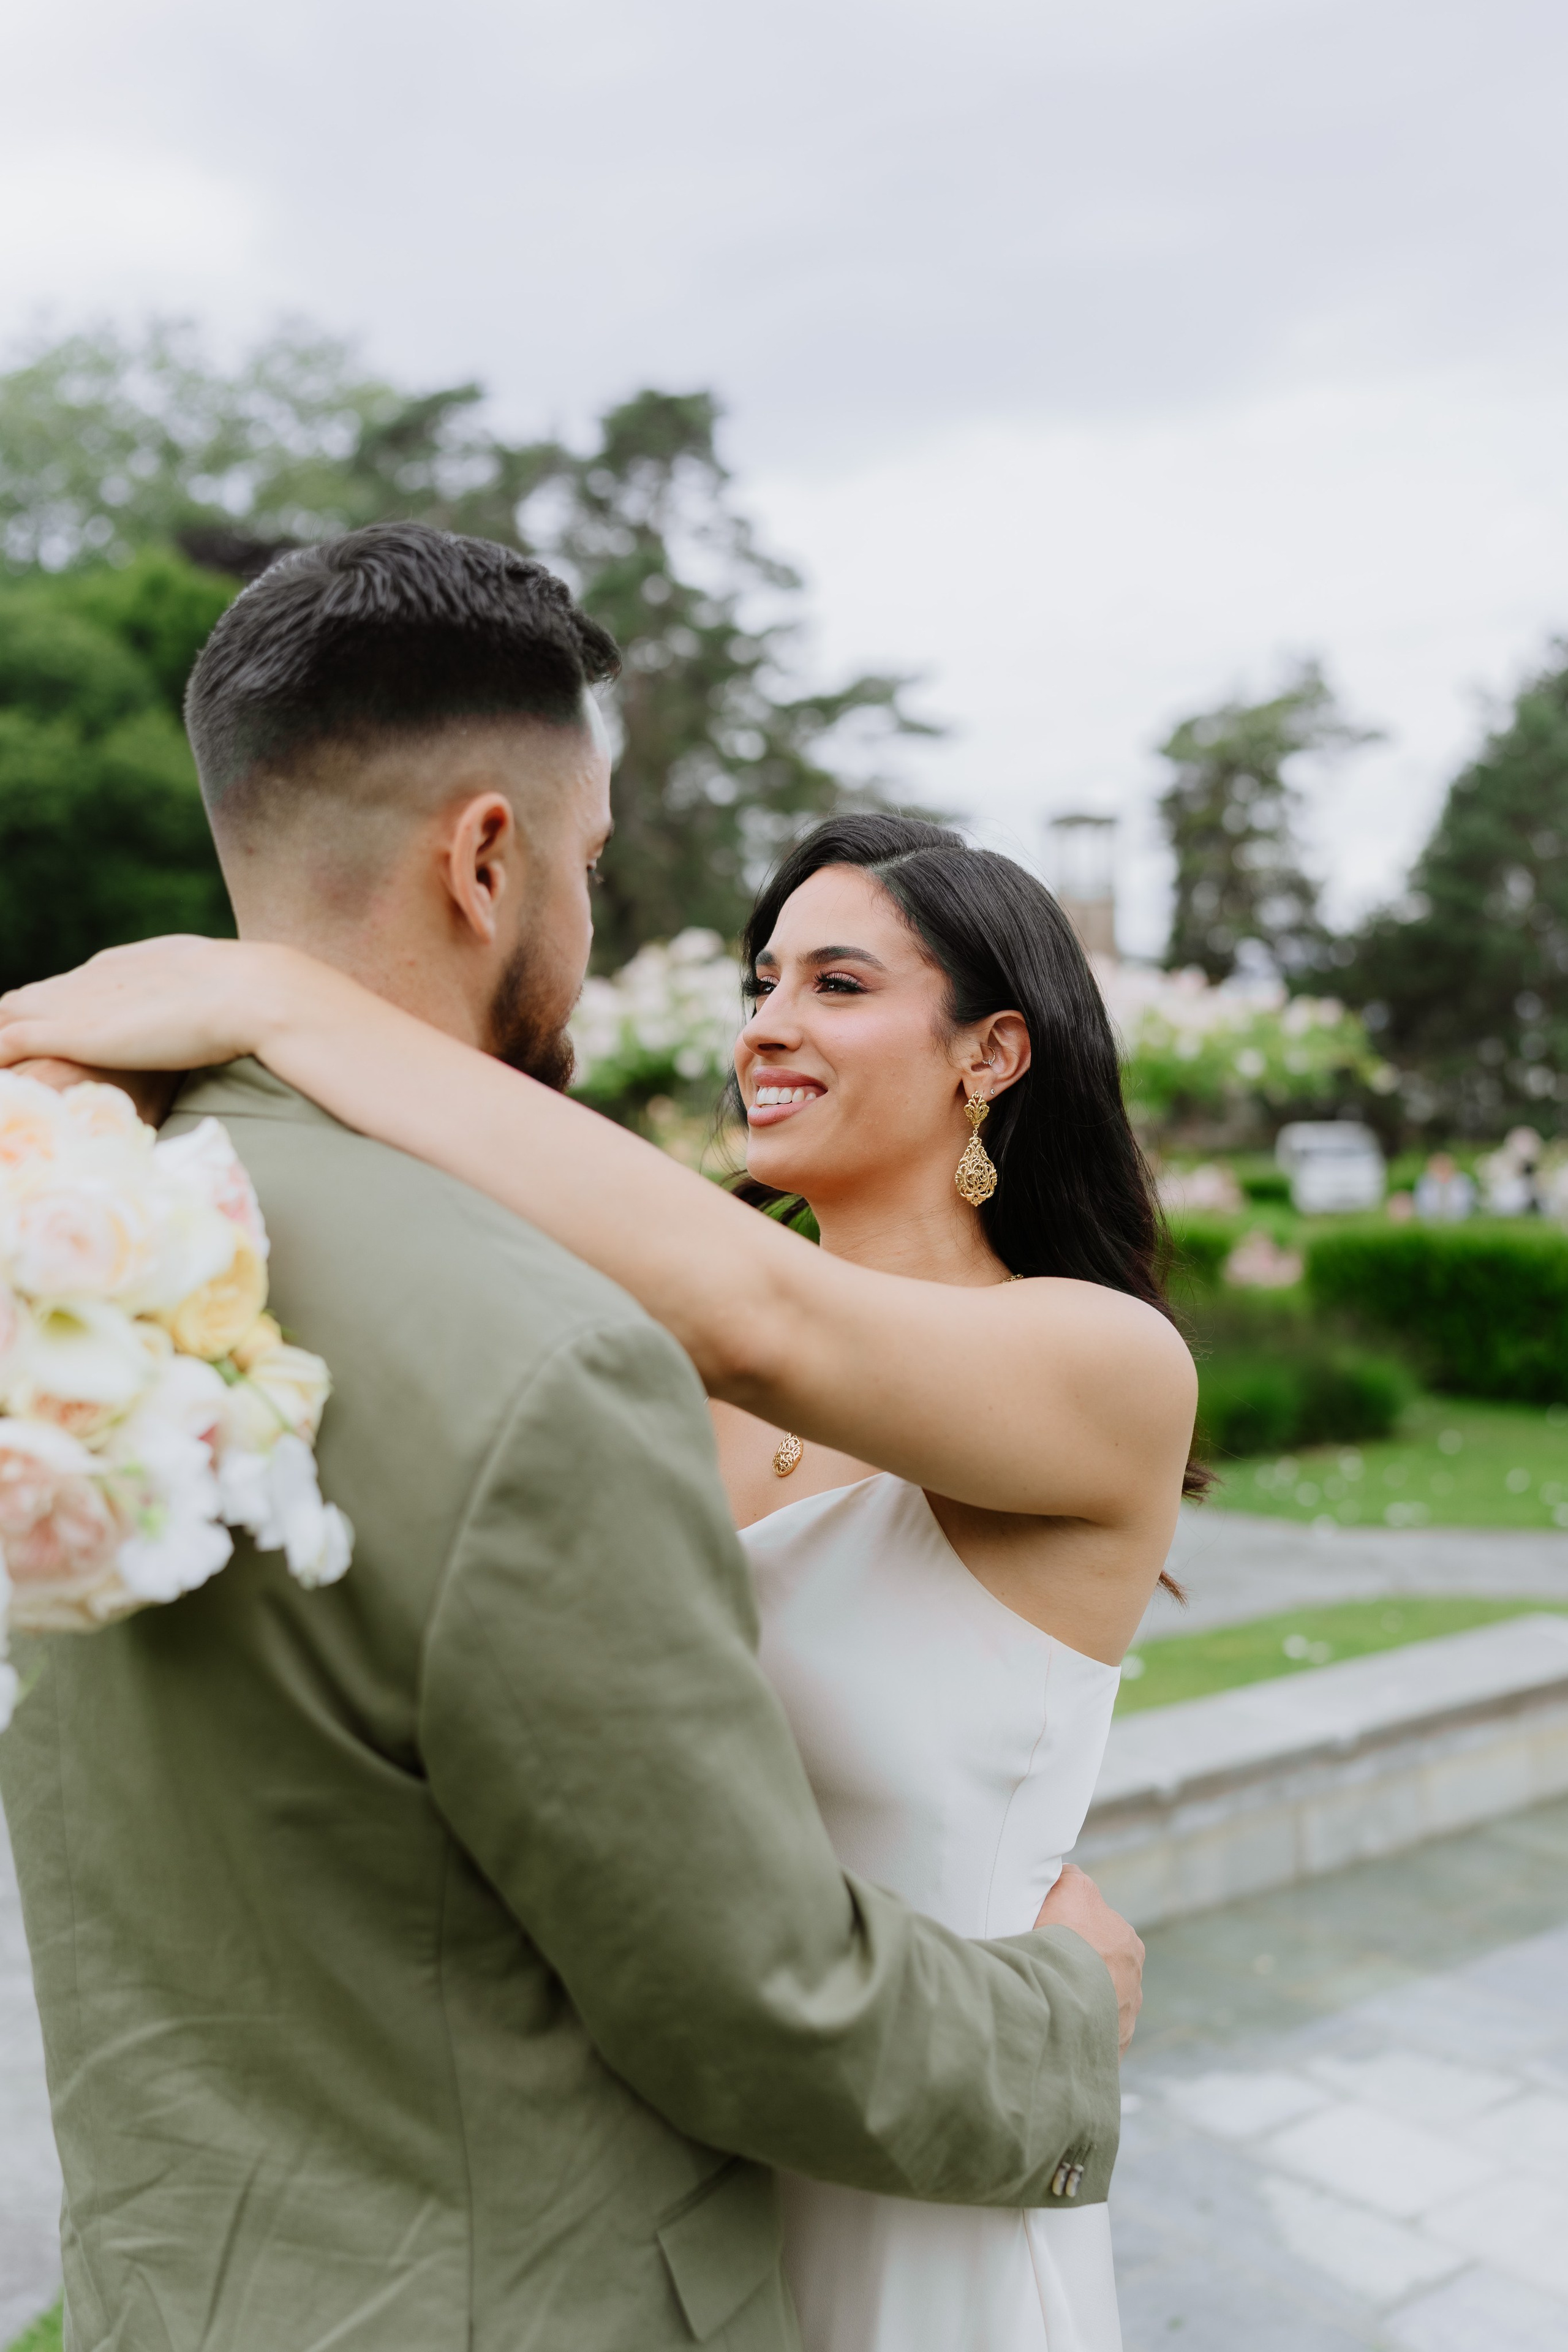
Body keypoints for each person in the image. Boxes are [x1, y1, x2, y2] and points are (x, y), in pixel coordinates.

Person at [0, 525, 1193, 2352]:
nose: (765, 1029)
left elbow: (771, 1314)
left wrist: (265, 991)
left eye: (839, 986)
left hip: (918, 2169)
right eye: (761, 981)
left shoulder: (1101, 1362)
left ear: (995, 1058)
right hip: (659, 2188)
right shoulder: (618, 1355)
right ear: (491, 857)